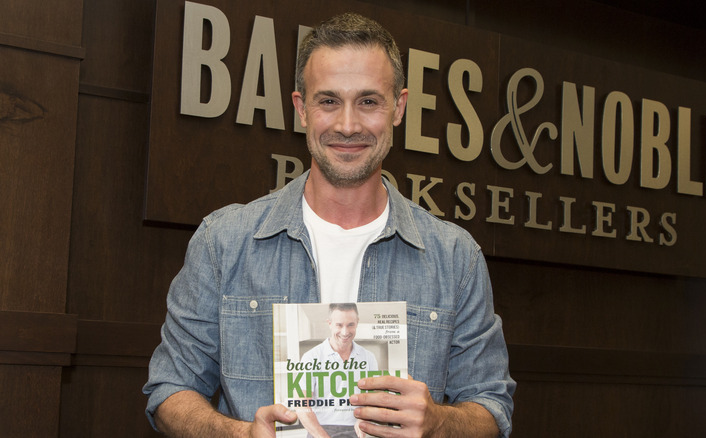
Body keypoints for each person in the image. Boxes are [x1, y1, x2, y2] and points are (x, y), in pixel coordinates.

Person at [143, 12, 515, 438]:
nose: (348, 125)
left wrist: (439, 422)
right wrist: (240, 435)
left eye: (369, 101)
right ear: (302, 108)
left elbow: (492, 406)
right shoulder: (224, 242)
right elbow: (169, 389)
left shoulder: (455, 257)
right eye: (329, 101)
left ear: (399, 107)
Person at [296, 303, 379, 438]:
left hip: (356, 429)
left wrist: (363, 420)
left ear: (357, 322)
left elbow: (374, 398)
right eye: (339, 325)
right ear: (329, 324)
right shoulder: (311, 357)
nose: (345, 332)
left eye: (350, 325)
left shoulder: (368, 357)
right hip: (320, 430)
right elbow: (302, 406)